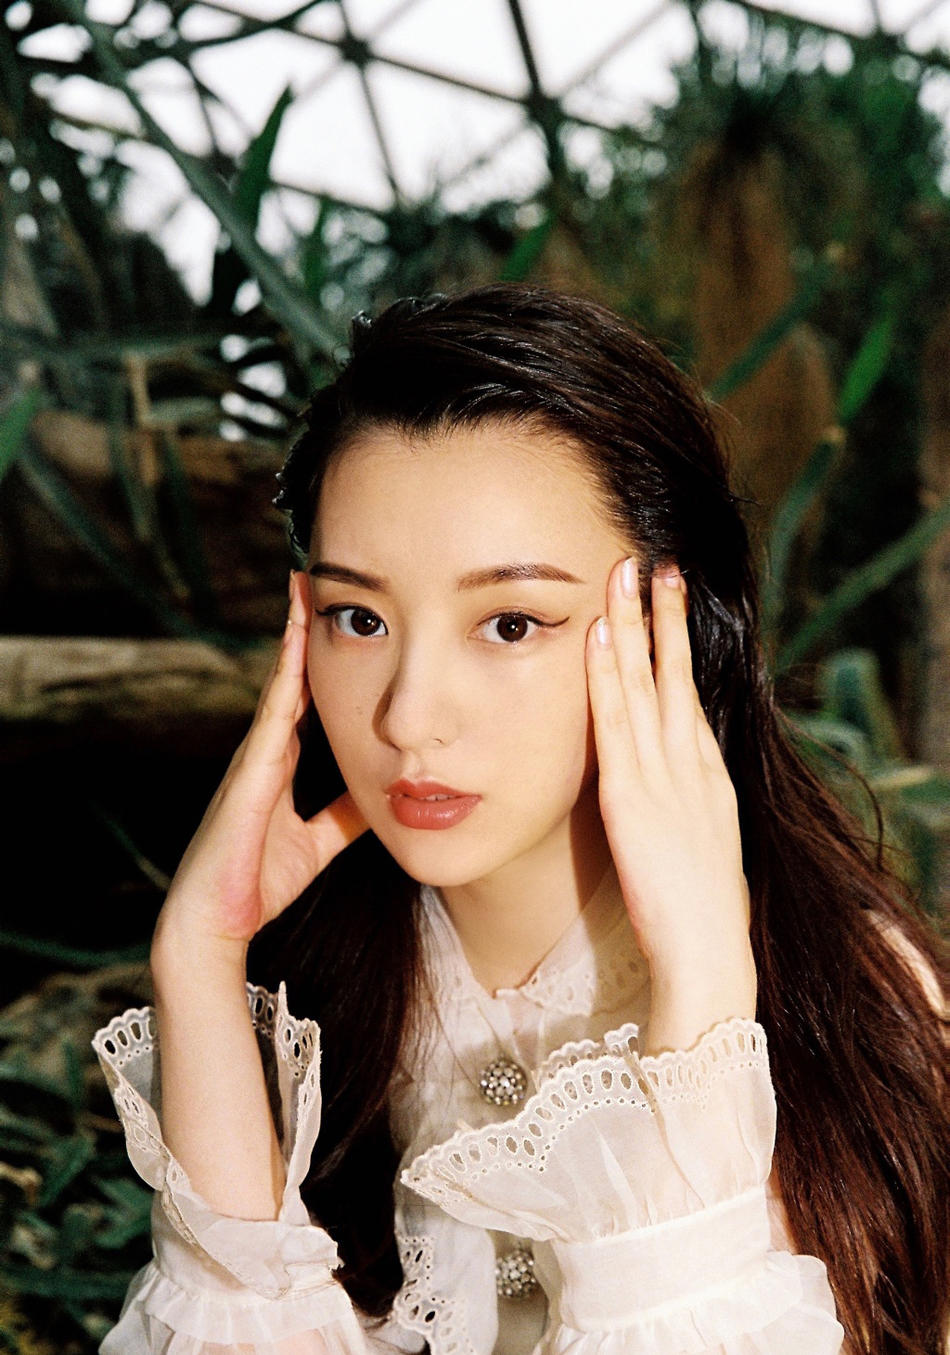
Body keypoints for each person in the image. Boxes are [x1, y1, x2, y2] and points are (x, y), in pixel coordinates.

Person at [94, 286, 948, 1355]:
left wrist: (702, 994)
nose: (408, 715)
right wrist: (198, 958)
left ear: (676, 625)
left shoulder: (865, 1008)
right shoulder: (310, 1004)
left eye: (508, 622)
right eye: (359, 617)